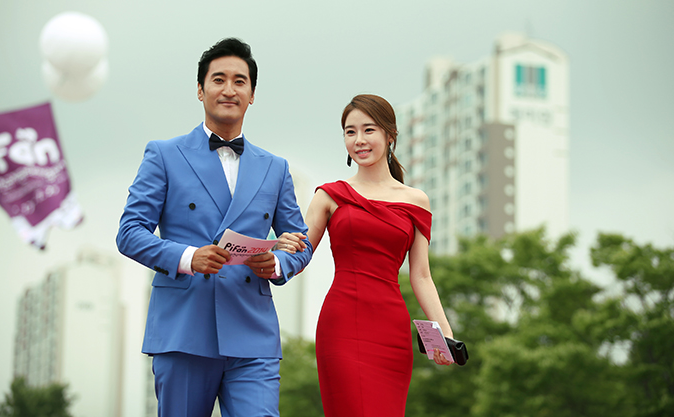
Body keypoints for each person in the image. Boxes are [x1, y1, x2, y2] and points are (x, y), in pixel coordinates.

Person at [116, 38, 313, 417]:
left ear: (252, 94)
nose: (228, 89)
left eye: (240, 81)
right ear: (200, 89)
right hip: (184, 330)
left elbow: (299, 242)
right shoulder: (164, 154)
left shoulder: (276, 167)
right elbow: (130, 232)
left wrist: (277, 264)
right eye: (218, 79)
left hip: (252, 334)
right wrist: (189, 257)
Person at [276, 94, 454, 417]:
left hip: (392, 333)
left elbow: (421, 276)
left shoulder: (417, 201)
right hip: (342, 326)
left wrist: (445, 333)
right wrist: (271, 253)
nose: (359, 140)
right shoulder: (329, 195)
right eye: (350, 131)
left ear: (390, 135)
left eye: (368, 130)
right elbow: (298, 256)